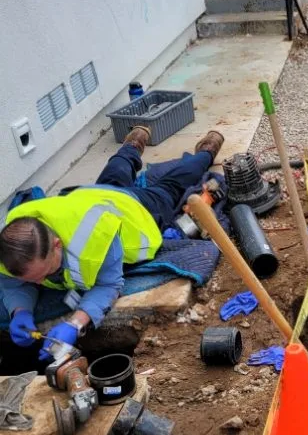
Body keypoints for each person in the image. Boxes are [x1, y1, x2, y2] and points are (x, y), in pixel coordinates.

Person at [0, 126, 224, 358]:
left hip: (136, 208)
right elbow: (11, 281)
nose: (39, 283)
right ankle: (132, 145)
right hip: (88, 196)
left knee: (173, 184)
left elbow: (109, 285)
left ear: (57, 244)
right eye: (31, 279)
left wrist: (76, 324)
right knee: (115, 173)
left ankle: (206, 151)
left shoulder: (94, 238)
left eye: (44, 273)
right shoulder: (11, 241)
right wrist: (20, 310)